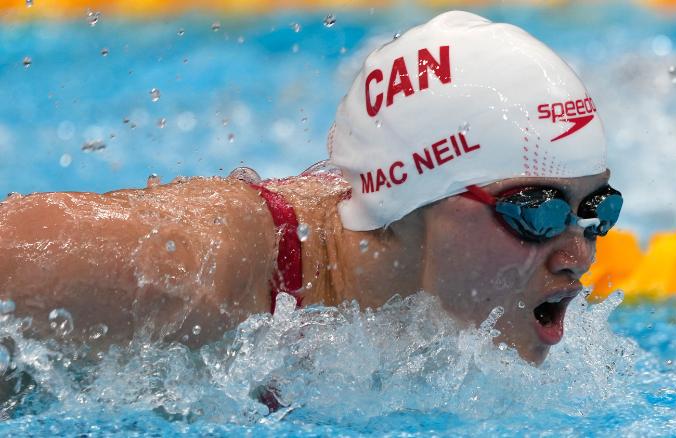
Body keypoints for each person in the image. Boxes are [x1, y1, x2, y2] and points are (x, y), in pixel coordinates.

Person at [0, 11, 621, 367]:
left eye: (596, 210)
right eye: (536, 212)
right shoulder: (198, 267)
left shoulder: (439, 323)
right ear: (410, 199)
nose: (579, 256)